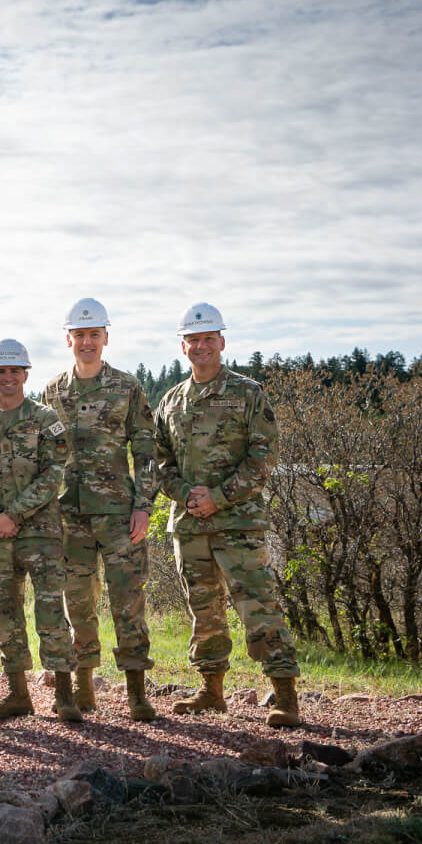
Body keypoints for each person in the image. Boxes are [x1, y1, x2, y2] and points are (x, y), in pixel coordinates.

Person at [154, 303, 301, 726]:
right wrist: (185, 494)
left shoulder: (247, 392)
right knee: (204, 611)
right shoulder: (171, 400)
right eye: (193, 340)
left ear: (222, 342)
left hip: (238, 523)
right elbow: (160, 461)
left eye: (208, 339)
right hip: (190, 524)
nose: (201, 347)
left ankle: (285, 695)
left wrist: (218, 497)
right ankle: (211, 690)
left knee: (259, 605)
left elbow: (263, 457)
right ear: (184, 346)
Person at [42, 298, 160, 721]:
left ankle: (136, 692)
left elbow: (146, 450)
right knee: (77, 602)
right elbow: (44, 455)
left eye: (94, 334)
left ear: (106, 337)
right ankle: (83, 685)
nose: (87, 342)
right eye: (80, 335)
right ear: (68, 339)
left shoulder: (126, 388)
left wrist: (144, 506)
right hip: (68, 517)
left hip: (118, 515)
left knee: (128, 601)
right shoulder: (52, 391)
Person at [0, 338, 81, 722]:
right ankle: (17, 694)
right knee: (5, 614)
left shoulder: (46, 420)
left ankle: (64, 695)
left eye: (15, 371)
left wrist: (13, 513)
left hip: (41, 534)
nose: (8, 378)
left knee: (50, 611)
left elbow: (53, 475)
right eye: (1, 371)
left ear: (25, 375)